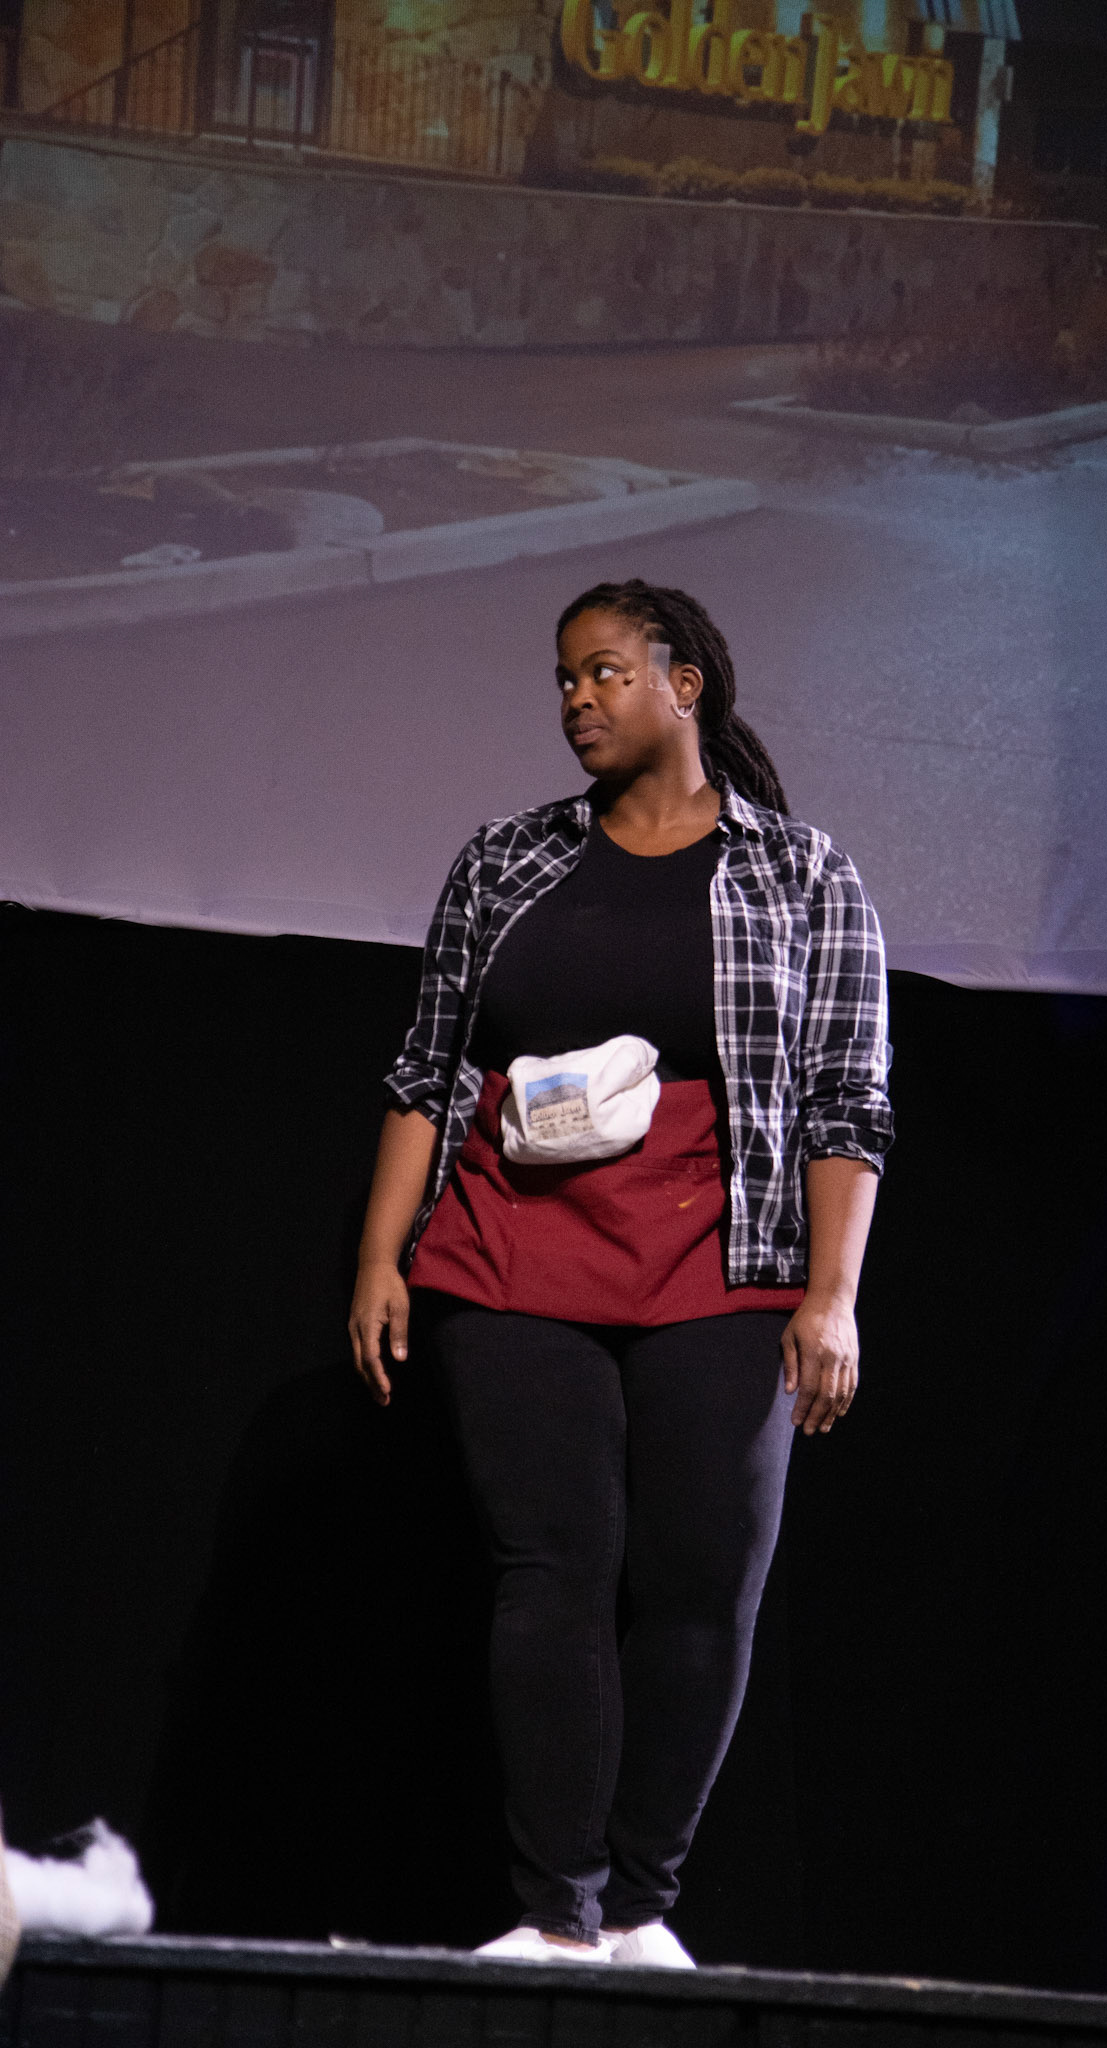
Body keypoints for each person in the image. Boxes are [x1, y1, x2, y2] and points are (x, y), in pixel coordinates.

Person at [348, 579, 892, 1968]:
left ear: (681, 683)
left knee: (703, 1584)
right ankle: (556, 1914)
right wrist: (381, 1255)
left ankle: (642, 1906)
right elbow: (428, 1073)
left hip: (723, 1255)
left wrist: (830, 1297)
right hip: (511, 1246)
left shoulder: (801, 875)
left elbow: (847, 1103)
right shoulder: (505, 860)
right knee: (552, 1575)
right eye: (563, 679)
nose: (575, 700)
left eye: (601, 672)